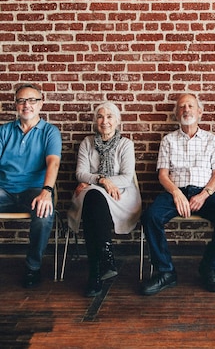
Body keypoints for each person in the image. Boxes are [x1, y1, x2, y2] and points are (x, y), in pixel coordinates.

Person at [140, 93, 215, 296]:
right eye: (182, 107)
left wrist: (204, 194)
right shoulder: (168, 140)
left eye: (191, 106)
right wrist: (176, 193)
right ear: (177, 114)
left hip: (204, 192)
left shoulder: (211, 140)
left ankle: (209, 268)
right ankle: (166, 272)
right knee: (150, 216)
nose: (186, 110)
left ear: (199, 112)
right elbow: (162, 175)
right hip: (174, 191)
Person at [67, 101, 142, 297]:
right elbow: (80, 173)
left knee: (93, 200)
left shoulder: (126, 144)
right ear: (95, 121)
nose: (105, 121)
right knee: (93, 198)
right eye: (100, 116)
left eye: (109, 117)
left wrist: (100, 182)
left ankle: (96, 272)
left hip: (121, 194)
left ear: (117, 121)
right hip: (93, 193)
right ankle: (104, 258)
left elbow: (126, 177)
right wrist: (100, 180)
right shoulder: (87, 143)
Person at [0, 83, 62, 288]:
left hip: (35, 191)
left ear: (41, 103)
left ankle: (33, 267)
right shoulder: (4, 131)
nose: (27, 105)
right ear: (16, 105)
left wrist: (47, 192)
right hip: (4, 189)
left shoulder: (50, 132)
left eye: (32, 100)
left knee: (44, 215)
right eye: (21, 100)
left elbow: (53, 162)